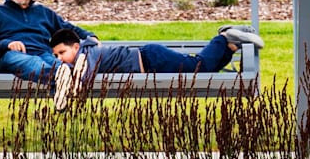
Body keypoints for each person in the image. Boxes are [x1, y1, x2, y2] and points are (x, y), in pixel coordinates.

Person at [46, 25, 264, 110]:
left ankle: (224, 36)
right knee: (203, 69)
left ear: (76, 46)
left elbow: (85, 71)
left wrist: (68, 92)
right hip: (150, 62)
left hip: (151, 59)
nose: (60, 59)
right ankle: (232, 44)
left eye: (62, 53)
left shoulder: (87, 53)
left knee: (197, 67)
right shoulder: (84, 53)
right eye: (56, 56)